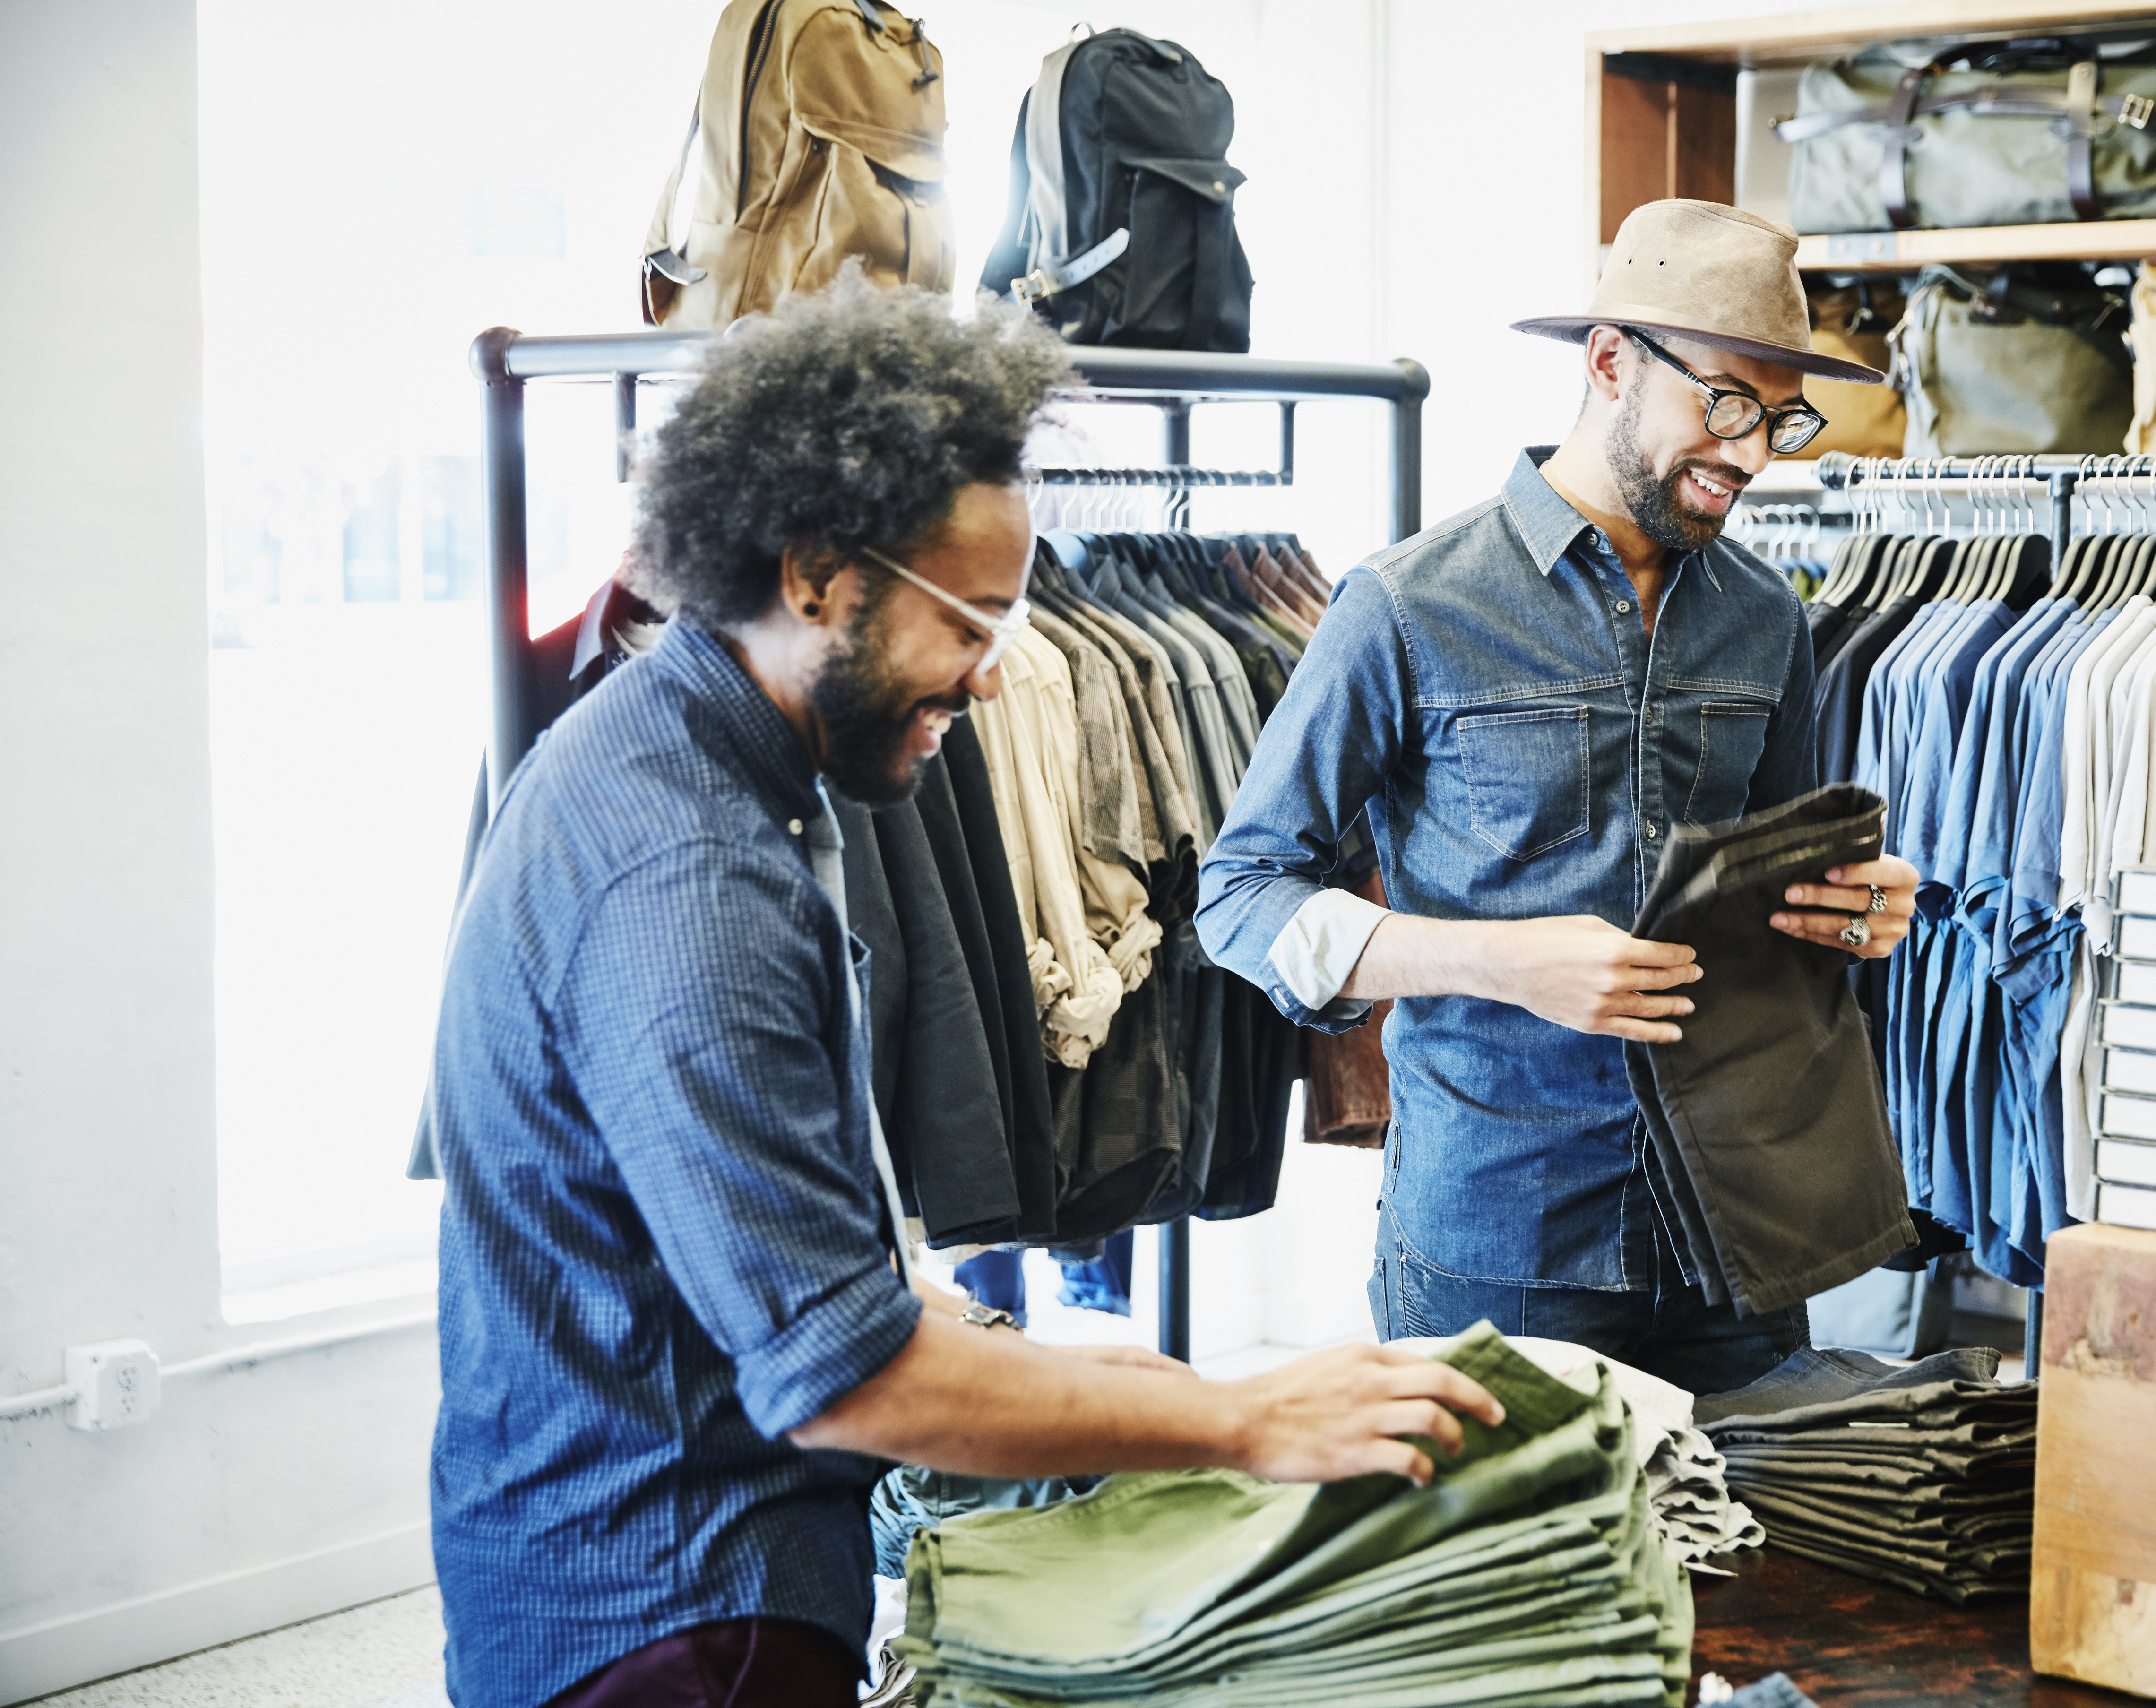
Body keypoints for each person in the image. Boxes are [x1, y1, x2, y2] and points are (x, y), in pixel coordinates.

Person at [425, 275, 1501, 1708]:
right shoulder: (689, 879)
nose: (997, 681)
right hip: (676, 1615)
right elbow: (850, 1380)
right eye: (973, 622)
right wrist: (1241, 1415)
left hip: (629, 1556)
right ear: (815, 575)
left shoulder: (666, 739)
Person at [1196, 200, 1919, 1393]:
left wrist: (1855, 911)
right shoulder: (1406, 605)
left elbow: (1774, 896)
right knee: (1516, 1579)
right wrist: (1496, 961)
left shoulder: (1768, 618)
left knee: (1759, 1575)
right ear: (1607, 361)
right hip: (1502, 1241)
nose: (1750, 456)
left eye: (1780, 421)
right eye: (1725, 406)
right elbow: (1238, 897)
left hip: (1737, 1236)